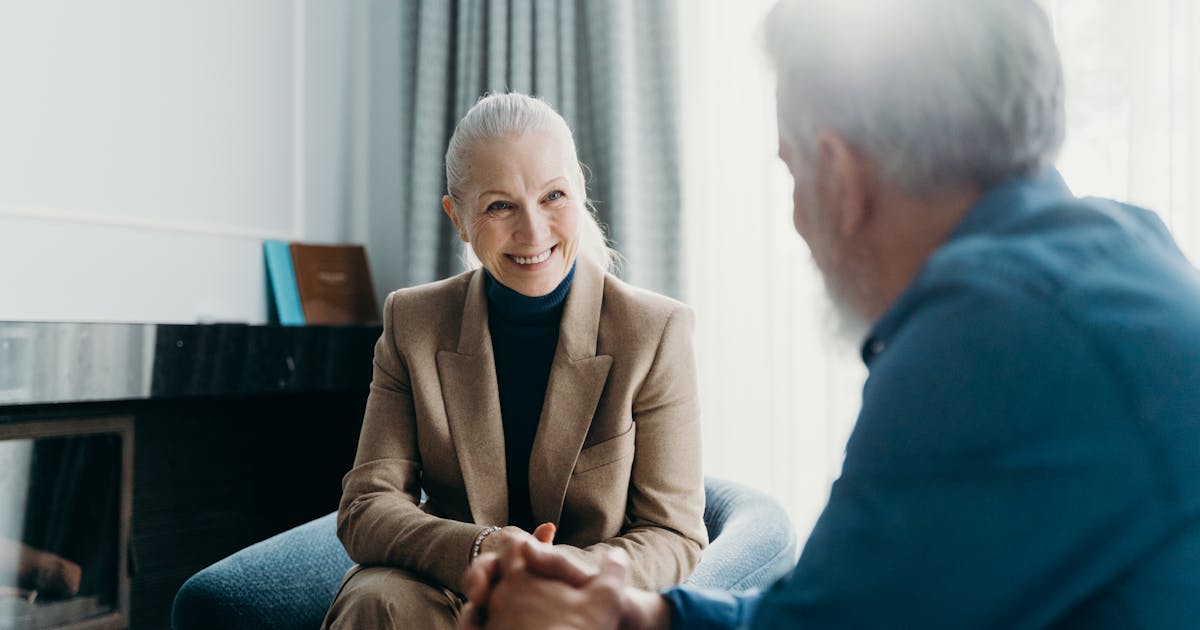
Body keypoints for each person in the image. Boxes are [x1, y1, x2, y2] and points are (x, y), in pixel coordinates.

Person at [459, 0, 1200, 627]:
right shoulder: (1125, 253)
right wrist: (640, 614)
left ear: (841, 177)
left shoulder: (988, 336)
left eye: (791, 169)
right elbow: (851, 606)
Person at [321, 93, 707, 629]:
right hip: (450, 588)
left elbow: (673, 534)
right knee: (376, 602)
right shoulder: (412, 322)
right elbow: (367, 506)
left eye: (553, 196)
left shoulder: (655, 331)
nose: (533, 232)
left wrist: (552, 578)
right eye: (500, 206)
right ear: (458, 218)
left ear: (579, 189)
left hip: (579, 602)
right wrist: (482, 549)